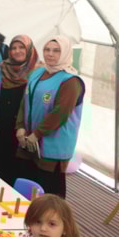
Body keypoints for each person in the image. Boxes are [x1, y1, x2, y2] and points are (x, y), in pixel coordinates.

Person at [15, 36, 85, 198]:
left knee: (50, 192)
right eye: (47, 50)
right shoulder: (38, 73)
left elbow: (61, 113)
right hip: (29, 140)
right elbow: (25, 101)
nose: (50, 54)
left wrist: (37, 134)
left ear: (65, 53)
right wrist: (20, 127)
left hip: (52, 145)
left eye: (56, 50)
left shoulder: (71, 81)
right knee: (29, 187)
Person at [0, 35, 39, 186]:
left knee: (19, 166)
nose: (17, 51)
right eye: (13, 48)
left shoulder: (38, 71)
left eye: (21, 47)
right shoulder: (3, 67)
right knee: (2, 164)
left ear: (29, 49)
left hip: (23, 127)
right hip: (4, 122)